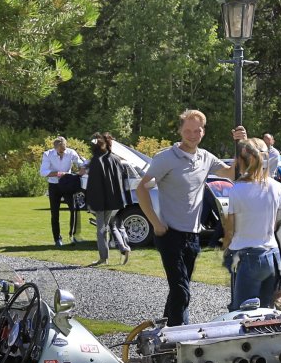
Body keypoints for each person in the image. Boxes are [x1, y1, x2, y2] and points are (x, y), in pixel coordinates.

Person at [136, 109, 233, 326]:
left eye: (197, 131)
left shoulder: (206, 158)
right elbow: (142, 188)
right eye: (188, 130)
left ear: (203, 131)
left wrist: (241, 143)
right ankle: (178, 336)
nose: (192, 135)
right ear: (180, 130)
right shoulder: (165, 158)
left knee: (179, 290)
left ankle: (165, 331)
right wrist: (156, 223)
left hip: (193, 236)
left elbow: (232, 173)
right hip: (169, 234)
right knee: (181, 292)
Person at [223, 137, 281, 310]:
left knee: (242, 311)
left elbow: (231, 229)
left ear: (239, 161)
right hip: (272, 255)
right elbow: (276, 223)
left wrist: (226, 246)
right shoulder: (277, 187)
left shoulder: (236, 190)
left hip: (247, 255)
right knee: (267, 312)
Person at [82, 132, 135, 266]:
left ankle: (103, 258)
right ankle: (123, 247)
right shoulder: (116, 159)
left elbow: (93, 184)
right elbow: (122, 181)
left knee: (101, 230)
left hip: (100, 201)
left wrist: (90, 202)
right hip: (114, 200)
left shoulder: (96, 160)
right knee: (111, 226)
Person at [39, 136, 84, 246]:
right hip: (54, 186)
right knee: (55, 214)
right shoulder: (47, 154)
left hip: (68, 185)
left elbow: (80, 163)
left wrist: (83, 168)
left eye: (64, 149)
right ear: (55, 148)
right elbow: (43, 172)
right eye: (60, 151)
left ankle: (73, 236)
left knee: (74, 209)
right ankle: (57, 239)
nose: (63, 152)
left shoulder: (71, 152)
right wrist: (59, 173)